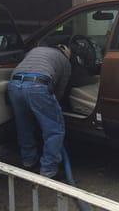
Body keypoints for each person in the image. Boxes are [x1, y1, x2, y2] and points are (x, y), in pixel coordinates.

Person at [8, 44, 72, 178]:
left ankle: (28, 160)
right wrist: (51, 107)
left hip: (14, 84)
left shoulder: (35, 50)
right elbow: (60, 91)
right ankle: (48, 169)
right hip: (38, 86)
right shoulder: (65, 61)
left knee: (24, 125)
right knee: (55, 130)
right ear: (67, 53)